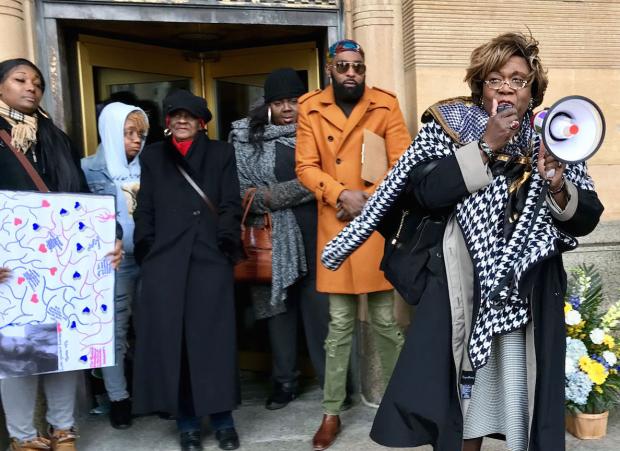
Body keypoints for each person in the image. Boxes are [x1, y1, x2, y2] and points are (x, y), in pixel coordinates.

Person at [320, 33, 604, 451]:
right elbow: (426, 191)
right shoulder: (450, 125)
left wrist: (558, 184)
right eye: (495, 79)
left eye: (518, 79)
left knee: (520, 400)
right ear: (480, 87)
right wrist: (487, 145)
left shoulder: (556, 136)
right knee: (461, 407)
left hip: (528, 295)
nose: (506, 87)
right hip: (463, 291)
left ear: (533, 90)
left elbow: (587, 218)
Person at [0, 58, 122, 451]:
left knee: (64, 347)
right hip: (12, 266)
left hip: (63, 260)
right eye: (20, 80)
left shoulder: (56, 137)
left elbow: (83, 195)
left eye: (36, 82)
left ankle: (63, 430)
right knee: (20, 352)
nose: (31, 88)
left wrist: (111, 236)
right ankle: (23, 438)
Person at [294, 39, 411, 451]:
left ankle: (402, 404)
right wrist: (341, 194)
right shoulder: (310, 107)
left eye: (357, 67)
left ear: (364, 70)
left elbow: (403, 163)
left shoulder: (385, 105)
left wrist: (369, 200)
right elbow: (305, 166)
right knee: (339, 327)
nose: (350, 73)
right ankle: (330, 412)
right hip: (336, 226)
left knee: (385, 323)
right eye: (343, 66)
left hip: (375, 226)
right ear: (330, 68)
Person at [132, 89, 242, 451]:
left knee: (214, 341)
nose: (182, 121)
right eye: (176, 115)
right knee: (174, 343)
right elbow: (144, 208)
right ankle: (188, 424)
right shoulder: (153, 156)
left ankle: (224, 421)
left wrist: (225, 244)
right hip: (165, 262)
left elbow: (229, 202)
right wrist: (146, 248)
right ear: (168, 121)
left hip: (209, 259)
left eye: (190, 116)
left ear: (202, 122)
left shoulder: (221, 153)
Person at [230, 68, 331, 410]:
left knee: (321, 316)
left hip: (318, 237)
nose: (288, 108)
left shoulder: (320, 134)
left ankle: (332, 386)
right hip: (269, 241)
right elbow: (246, 195)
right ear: (267, 105)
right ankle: (284, 383)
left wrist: (275, 193)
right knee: (277, 314)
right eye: (279, 101)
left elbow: (333, 180)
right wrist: (308, 186)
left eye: (294, 100)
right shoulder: (245, 139)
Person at [81, 102, 150, 429]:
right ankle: (118, 398)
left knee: (150, 328)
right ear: (110, 132)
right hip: (112, 264)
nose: (136, 140)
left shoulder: (150, 166)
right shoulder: (87, 169)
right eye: (128, 133)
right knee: (113, 332)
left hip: (151, 258)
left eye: (140, 134)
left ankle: (152, 394)